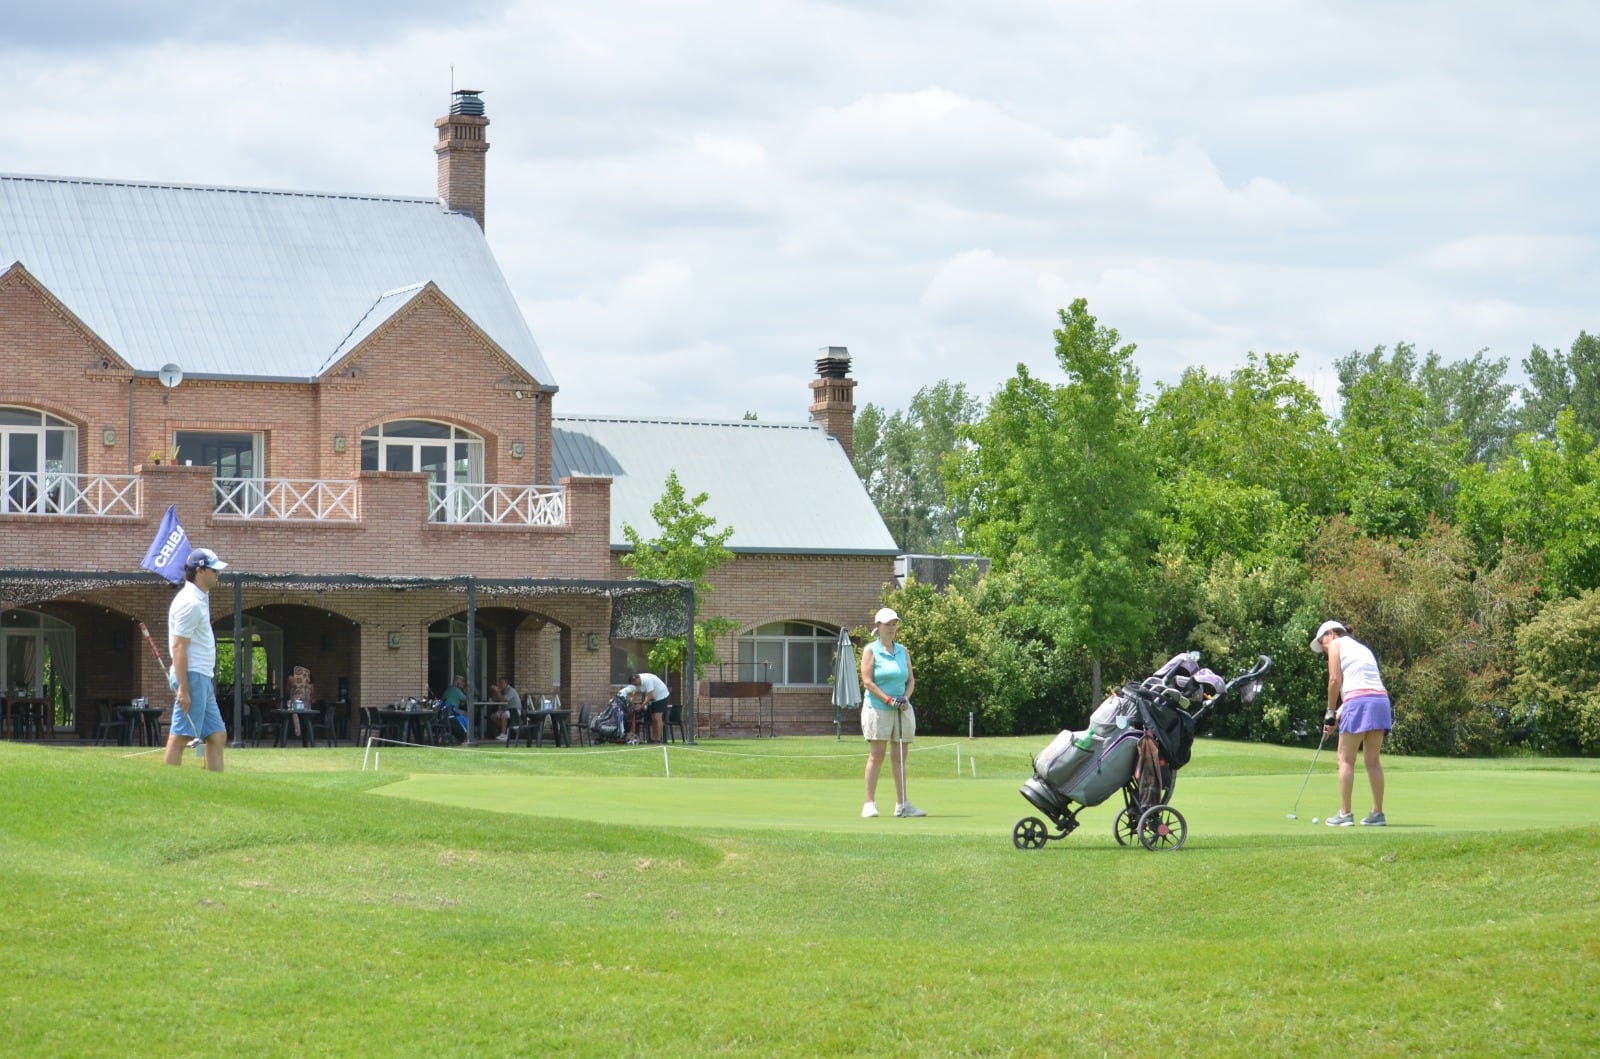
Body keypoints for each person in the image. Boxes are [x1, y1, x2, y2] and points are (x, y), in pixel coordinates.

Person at [1312, 619, 1392, 827]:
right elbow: (1362, 688)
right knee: (1372, 761)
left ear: (1331, 633)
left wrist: (1330, 712)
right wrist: (1336, 715)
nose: (1324, 649)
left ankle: (1345, 814)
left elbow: (1334, 681)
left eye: (1323, 643)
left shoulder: (1336, 645)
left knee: (1345, 760)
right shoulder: (1362, 648)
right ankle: (1377, 813)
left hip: (1359, 701)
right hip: (1380, 701)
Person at [165, 547, 229, 771]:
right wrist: (183, 687)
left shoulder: (200, 598)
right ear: (200, 571)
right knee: (181, 736)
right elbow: (179, 646)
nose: (218, 574)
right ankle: (167, 785)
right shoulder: (189, 603)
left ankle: (213, 787)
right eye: (214, 570)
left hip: (202, 675)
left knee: (217, 735)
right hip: (192, 676)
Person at [858, 606, 924, 818]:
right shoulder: (871, 650)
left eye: (894, 623)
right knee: (877, 755)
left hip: (903, 708)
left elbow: (911, 680)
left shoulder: (902, 650)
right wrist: (888, 699)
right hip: (877, 708)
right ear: (878, 626)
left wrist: (905, 698)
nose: (892, 627)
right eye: (888, 624)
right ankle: (869, 803)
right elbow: (868, 682)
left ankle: (902, 804)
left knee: (900, 757)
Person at [628, 672, 672, 743]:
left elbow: (650, 695)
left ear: (637, 679)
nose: (635, 685)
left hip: (662, 695)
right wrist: (631, 700)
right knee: (653, 717)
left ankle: (659, 739)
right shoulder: (637, 682)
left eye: (635, 683)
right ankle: (654, 739)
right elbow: (634, 691)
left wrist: (641, 706)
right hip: (655, 698)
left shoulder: (647, 680)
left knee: (657, 717)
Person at [491, 677, 522, 741]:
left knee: (503, 715)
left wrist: (498, 691)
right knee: (493, 716)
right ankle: (506, 728)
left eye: (501, 683)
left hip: (514, 710)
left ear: (506, 683)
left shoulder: (511, 690)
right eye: (499, 683)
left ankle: (504, 734)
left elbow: (503, 699)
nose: (500, 685)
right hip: (506, 710)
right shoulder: (502, 691)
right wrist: (495, 691)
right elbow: (494, 699)